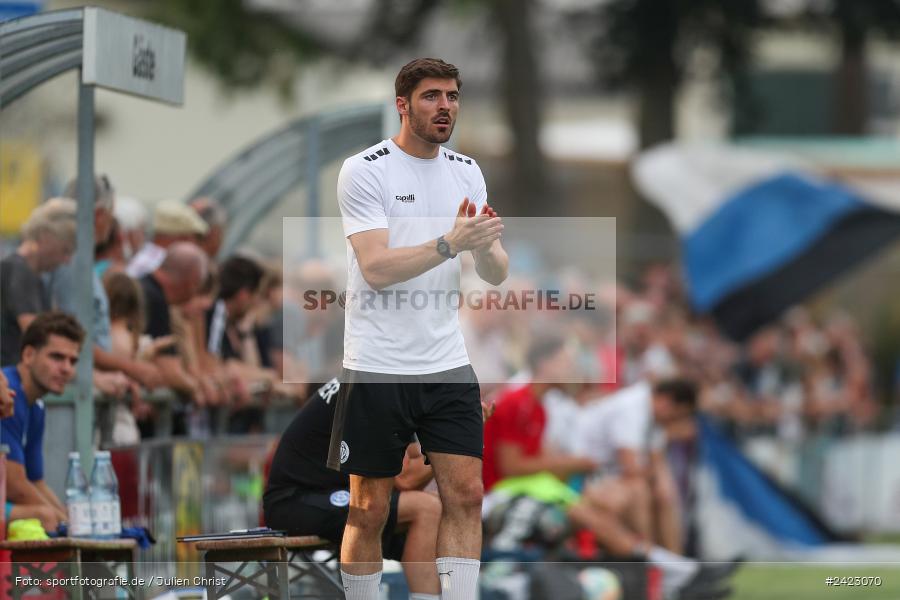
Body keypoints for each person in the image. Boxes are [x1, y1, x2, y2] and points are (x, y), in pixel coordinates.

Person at [329, 57, 508, 600]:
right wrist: (452, 242)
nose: (445, 107)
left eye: (452, 96)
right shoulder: (365, 169)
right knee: (370, 508)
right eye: (432, 96)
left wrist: (485, 246)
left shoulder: (467, 170)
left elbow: (496, 272)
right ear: (403, 105)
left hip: (447, 360)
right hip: (378, 361)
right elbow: (377, 269)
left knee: (467, 495)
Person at [265, 379, 442, 598]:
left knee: (431, 509)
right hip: (295, 501)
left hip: (322, 493)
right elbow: (405, 480)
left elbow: (414, 463)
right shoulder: (377, 391)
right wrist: (448, 445)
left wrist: (442, 445)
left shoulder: (385, 384)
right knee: (427, 509)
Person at [1, 312, 85, 532]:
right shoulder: (7, 393)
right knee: (44, 517)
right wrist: (64, 524)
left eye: (72, 361)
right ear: (29, 355)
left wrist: (70, 519)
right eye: (57, 357)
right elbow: (14, 485)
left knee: (57, 516)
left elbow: (36, 481)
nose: (66, 368)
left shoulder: (36, 406)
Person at [127, 200, 209, 278]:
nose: (195, 245)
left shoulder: (144, 257)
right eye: (194, 238)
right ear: (182, 237)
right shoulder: (158, 264)